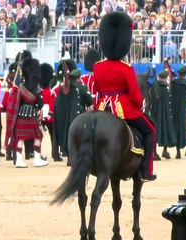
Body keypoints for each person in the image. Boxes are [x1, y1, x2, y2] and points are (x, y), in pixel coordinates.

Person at [95, 12, 157, 181]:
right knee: (150, 130)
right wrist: (140, 104)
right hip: (124, 108)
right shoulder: (126, 68)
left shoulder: (98, 66)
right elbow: (135, 96)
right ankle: (146, 170)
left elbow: (98, 89)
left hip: (102, 107)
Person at [5, 58, 49, 168]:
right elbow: (40, 104)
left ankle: (19, 160)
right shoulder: (37, 89)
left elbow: (16, 103)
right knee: (38, 137)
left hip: (20, 117)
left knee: (20, 138)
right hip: (32, 117)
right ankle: (37, 159)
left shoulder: (20, 87)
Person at [54, 68, 93, 164]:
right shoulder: (82, 88)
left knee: (69, 136)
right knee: (81, 137)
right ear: (79, 78)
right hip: (80, 116)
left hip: (67, 117)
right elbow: (89, 101)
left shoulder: (65, 88)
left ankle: (70, 158)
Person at [150, 69, 176, 159]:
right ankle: (165, 151)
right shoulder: (166, 88)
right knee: (165, 131)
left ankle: (154, 152)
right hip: (165, 114)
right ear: (165, 78)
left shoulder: (154, 87)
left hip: (155, 113)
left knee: (155, 132)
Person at [39, 62, 61, 161]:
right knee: (53, 136)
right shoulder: (50, 92)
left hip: (41, 116)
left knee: (39, 136)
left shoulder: (39, 92)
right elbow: (52, 104)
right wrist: (51, 114)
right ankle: (55, 154)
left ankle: (37, 153)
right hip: (50, 117)